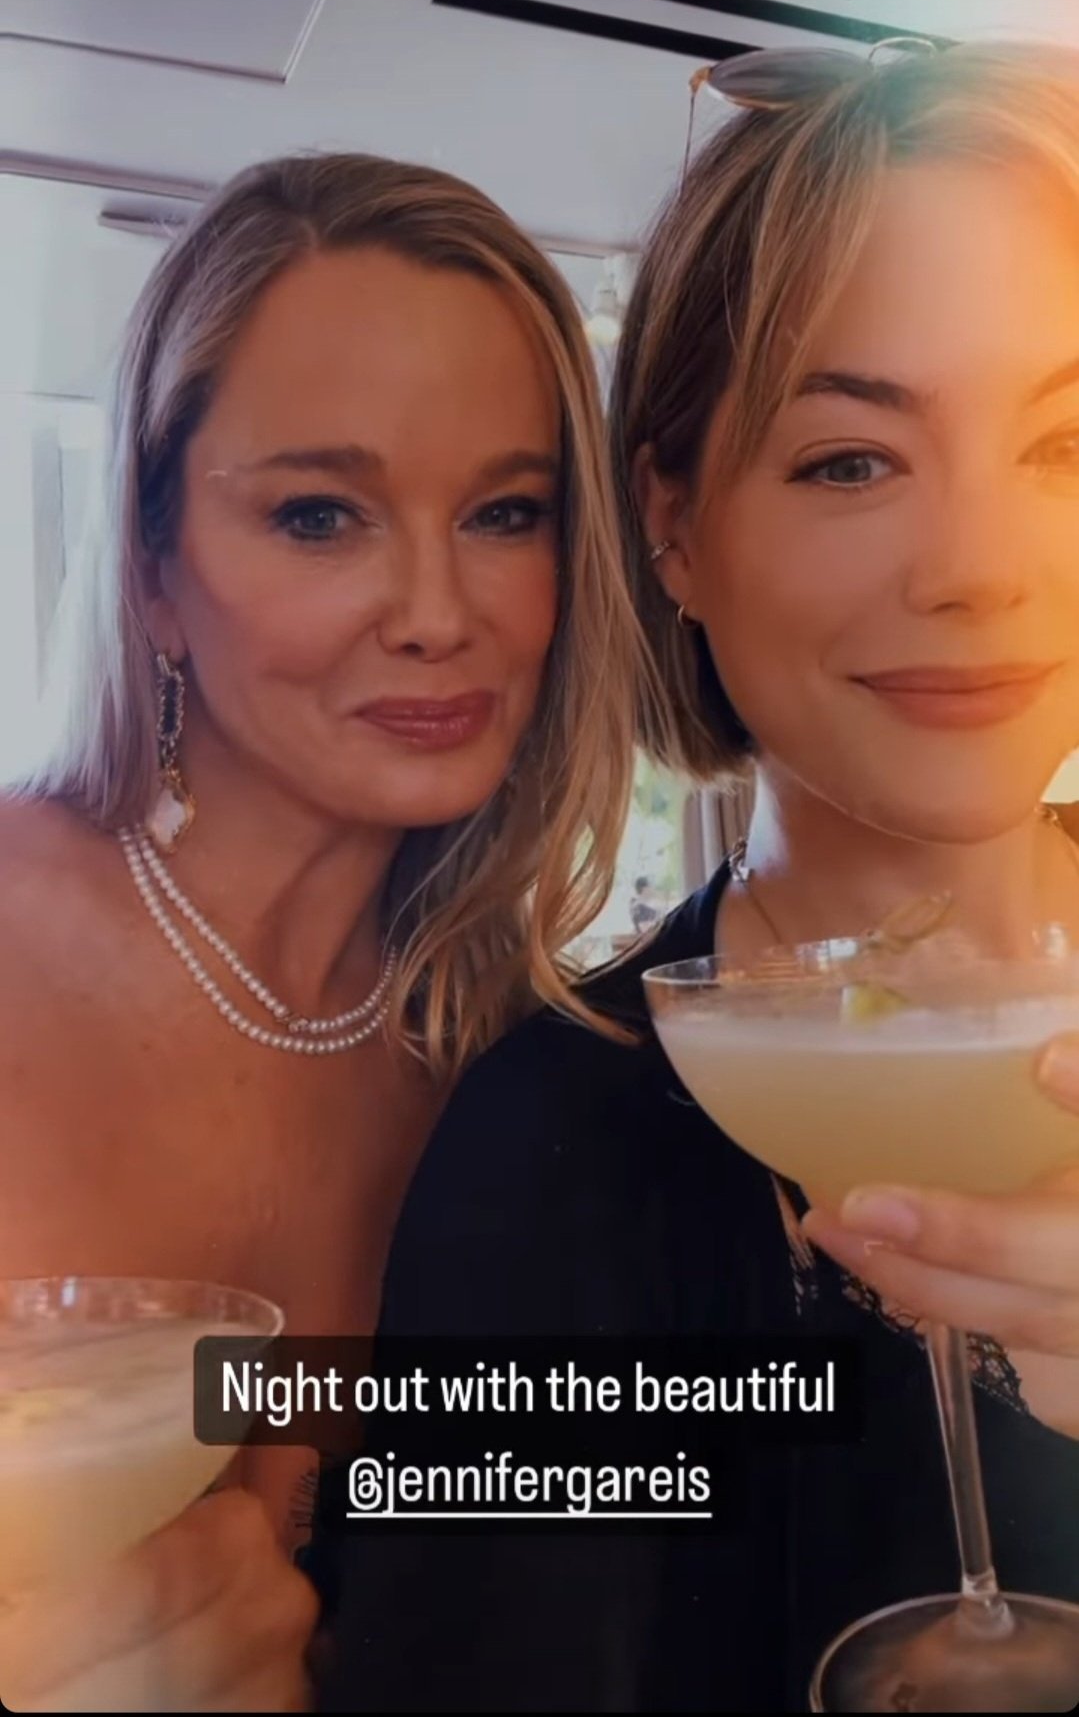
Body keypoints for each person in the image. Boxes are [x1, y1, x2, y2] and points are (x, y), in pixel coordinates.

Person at [320, 43, 1079, 1712]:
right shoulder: (553, 1150)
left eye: (1064, 444)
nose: (978, 568)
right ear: (672, 520)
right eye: (849, 460)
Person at [0, 153, 646, 1711]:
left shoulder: (506, 1075)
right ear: (153, 570)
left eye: (504, 513)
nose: (436, 612)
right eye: (318, 515)